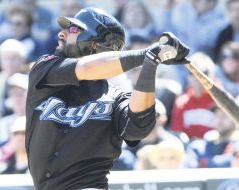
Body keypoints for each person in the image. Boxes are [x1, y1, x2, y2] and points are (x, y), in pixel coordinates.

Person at [26, 7, 189, 190]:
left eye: (73, 29)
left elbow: (138, 127)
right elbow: (86, 69)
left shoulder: (116, 96)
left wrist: (151, 63)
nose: (61, 34)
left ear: (93, 44)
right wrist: (148, 54)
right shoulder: (44, 69)